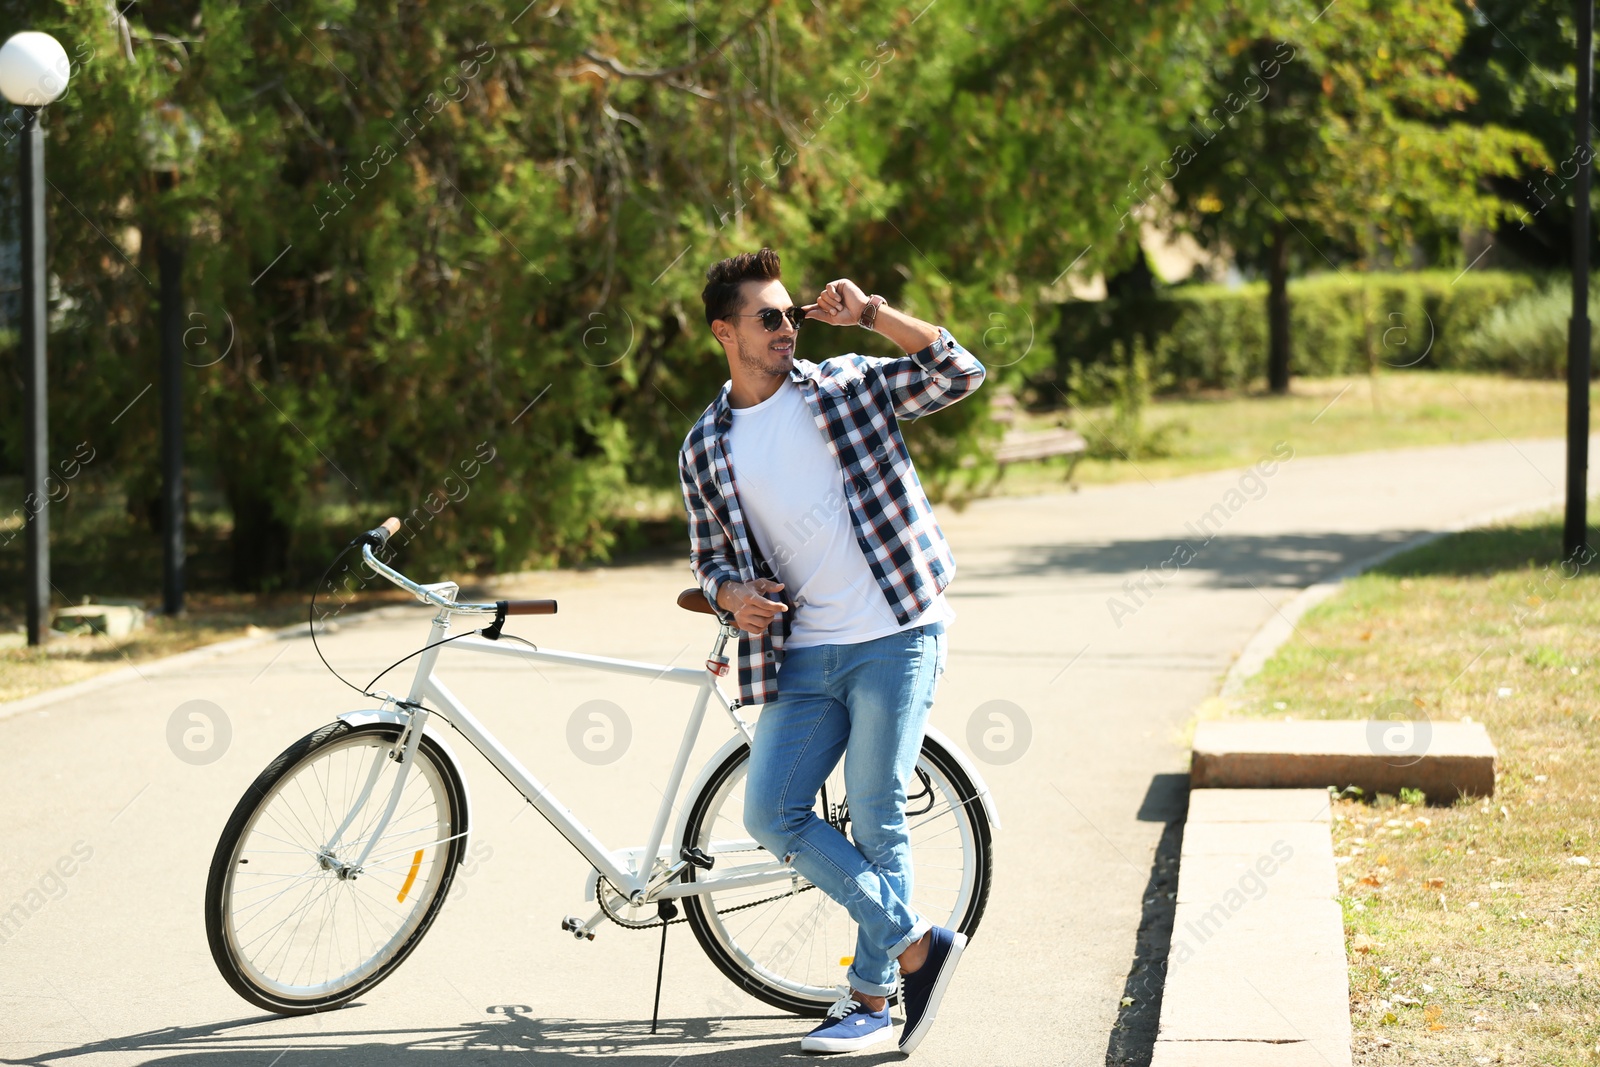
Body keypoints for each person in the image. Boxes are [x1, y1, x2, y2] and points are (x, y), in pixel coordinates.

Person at [677, 248, 985, 1054]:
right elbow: (709, 558)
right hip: (802, 651)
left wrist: (876, 315)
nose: (787, 328)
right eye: (768, 317)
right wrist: (728, 596)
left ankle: (873, 1002)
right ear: (724, 331)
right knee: (769, 810)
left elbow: (960, 372)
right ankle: (921, 943)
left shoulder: (846, 384)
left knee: (878, 814)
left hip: (895, 630)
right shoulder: (706, 444)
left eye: (791, 313)